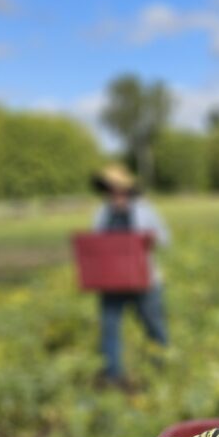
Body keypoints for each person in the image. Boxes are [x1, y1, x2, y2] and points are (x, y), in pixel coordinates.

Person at [92, 163, 170, 385]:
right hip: (111, 281)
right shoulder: (102, 212)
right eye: (108, 188)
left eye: (116, 188)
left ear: (126, 189)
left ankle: (161, 370)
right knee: (109, 327)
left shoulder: (145, 209)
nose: (113, 193)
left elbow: (165, 238)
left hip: (143, 280)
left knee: (153, 326)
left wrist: (151, 239)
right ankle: (112, 374)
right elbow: (95, 244)